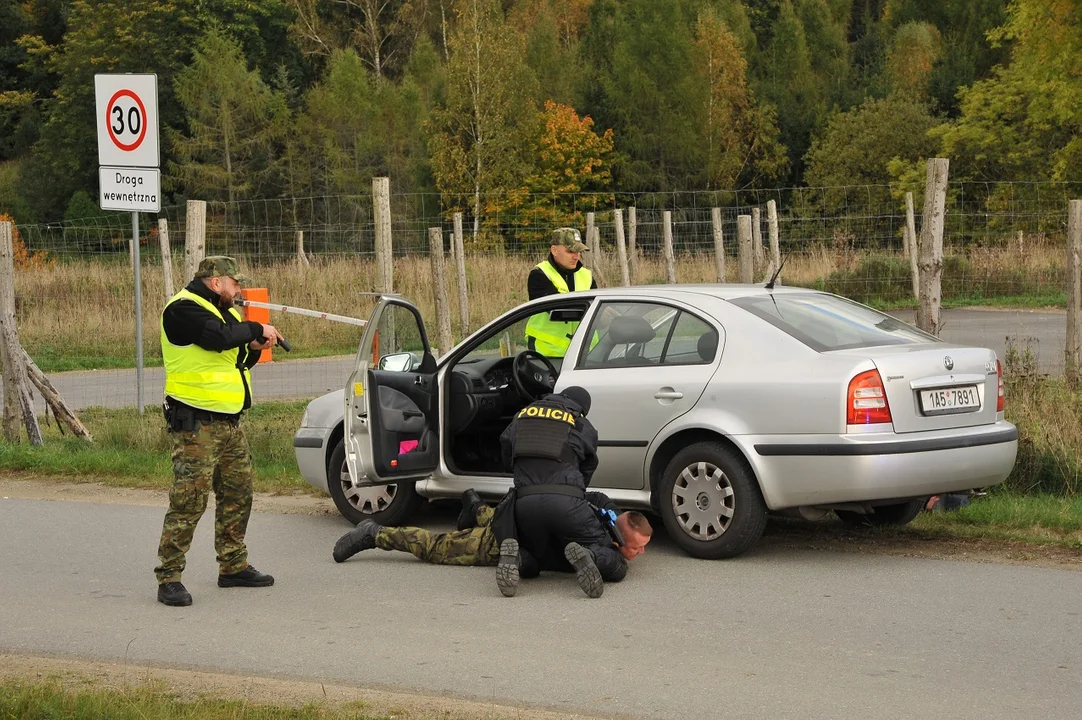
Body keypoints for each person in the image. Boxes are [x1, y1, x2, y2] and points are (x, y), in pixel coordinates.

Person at [153, 256, 285, 607]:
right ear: (216, 282)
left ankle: (233, 565)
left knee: (238, 494)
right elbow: (217, 339)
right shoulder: (182, 308)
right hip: (195, 424)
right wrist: (256, 328)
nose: (239, 290)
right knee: (189, 500)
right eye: (235, 284)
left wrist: (255, 348)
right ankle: (169, 576)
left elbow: (234, 356)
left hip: (229, 422)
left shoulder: (225, 312)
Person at [493, 385, 629, 599]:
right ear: (581, 408)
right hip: (567, 502)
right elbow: (589, 464)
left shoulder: (522, 415)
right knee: (616, 559)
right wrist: (574, 493)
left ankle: (517, 558)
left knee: (537, 558)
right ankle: (590, 555)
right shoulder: (581, 423)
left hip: (524, 502)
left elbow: (505, 450)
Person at [331, 490, 653, 576]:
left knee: (492, 517)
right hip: (503, 540)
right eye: (636, 548)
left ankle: (476, 509)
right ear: (617, 539)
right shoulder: (595, 533)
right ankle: (375, 533)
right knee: (437, 547)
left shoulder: (598, 510)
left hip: (510, 514)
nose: (640, 554)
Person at [524, 227, 598, 358]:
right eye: (570, 251)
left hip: (586, 352)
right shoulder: (540, 274)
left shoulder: (586, 275)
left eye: (579, 251)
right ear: (554, 250)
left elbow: (598, 309)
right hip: (547, 353)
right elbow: (556, 310)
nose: (576, 256)